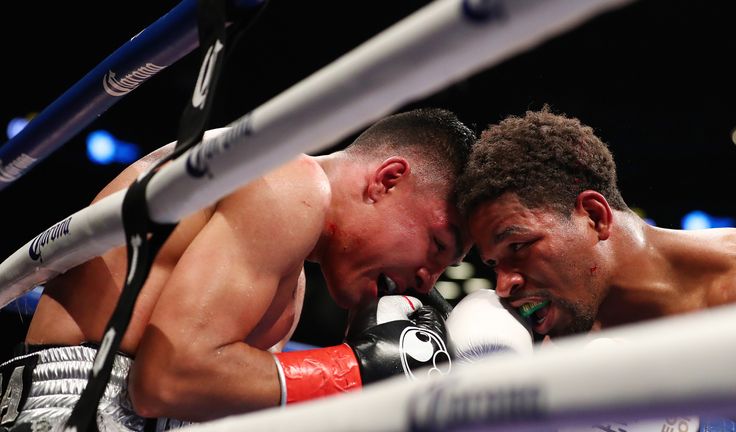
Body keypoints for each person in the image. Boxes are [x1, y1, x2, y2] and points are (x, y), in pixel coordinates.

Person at [0, 108, 475, 430]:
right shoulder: (290, 184)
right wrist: (355, 369)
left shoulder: (292, 270)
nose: (427, 279)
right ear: (387, 181)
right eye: (436, 245)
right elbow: (164, 381)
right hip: (88, 408)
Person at [456, 106, 736, 338]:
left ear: (594, 216)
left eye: (518, 245)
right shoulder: (569, 342)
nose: (503, 285)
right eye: (494, 264)